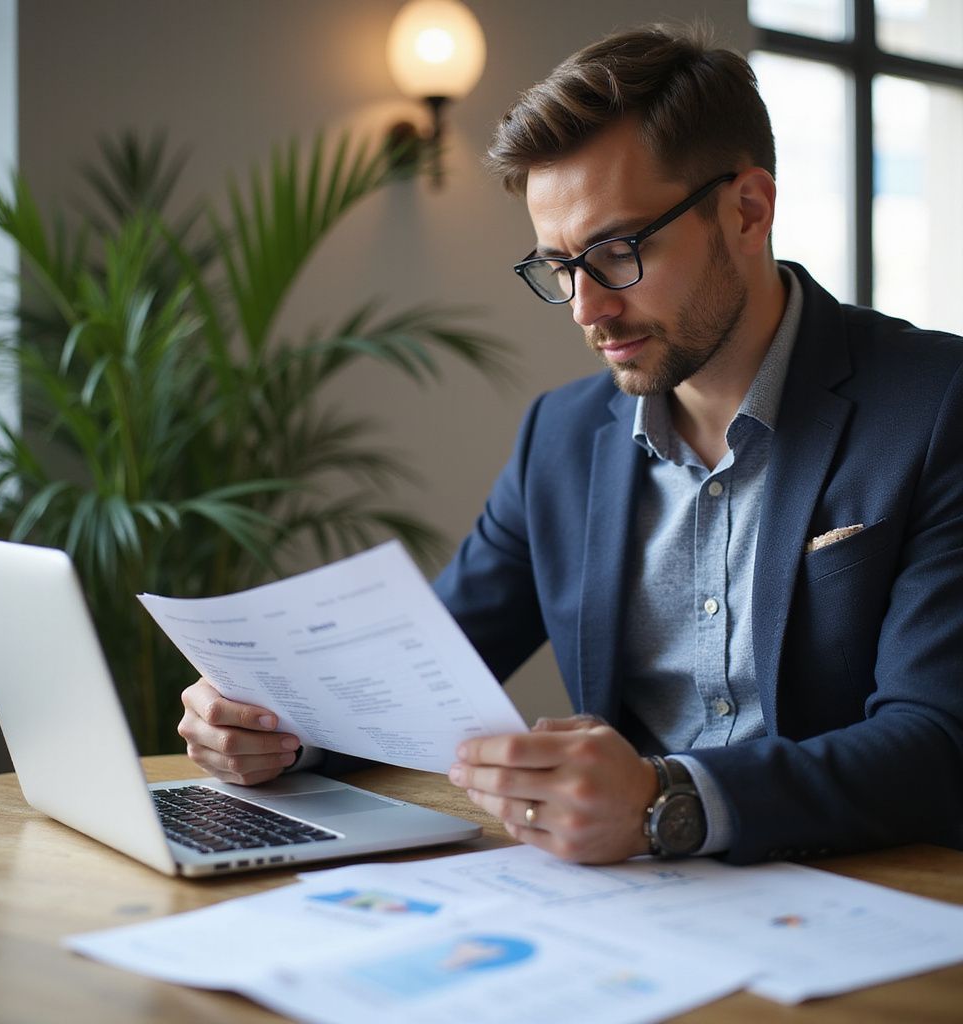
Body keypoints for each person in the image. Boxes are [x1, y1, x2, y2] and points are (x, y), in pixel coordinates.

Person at [178, 23, 963, 865]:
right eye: (558, 266)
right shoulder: (560, 437)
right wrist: (276, 726)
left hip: (878, 902)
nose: (587, 308)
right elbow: (420, 673)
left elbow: (938, 743)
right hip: (623, 909)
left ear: (748, 209)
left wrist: (668, 802)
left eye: (616, 251)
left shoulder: (936, 404)